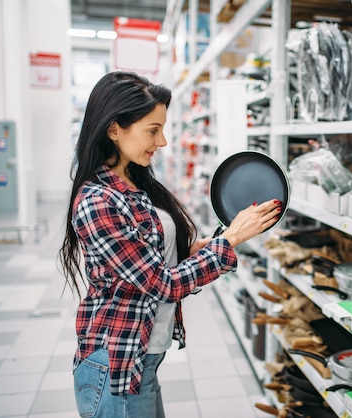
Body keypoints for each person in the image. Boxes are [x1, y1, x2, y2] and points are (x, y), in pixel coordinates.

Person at [57, 71, 281, 417]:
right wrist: (232, 238)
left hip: (142, 362)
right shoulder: (97, 201)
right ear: (114, 129)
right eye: (153, 130)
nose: (161, 142)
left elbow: (153, 258)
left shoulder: (134, 182)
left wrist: (208, 246)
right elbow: (161, 284)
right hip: (116, 366)